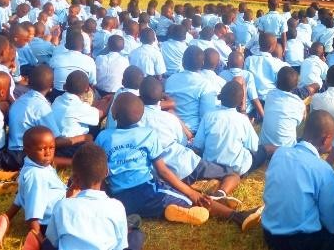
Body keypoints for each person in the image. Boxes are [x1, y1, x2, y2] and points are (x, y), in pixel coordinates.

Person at [96, 92, 262, 228]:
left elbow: (99, 171)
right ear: (140, 118)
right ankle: (235, 216)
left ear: (114, 114)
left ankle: (163, 210)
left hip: (119, 198)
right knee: (194, 200)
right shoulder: (147, 135)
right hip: (149, 193)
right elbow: (163, 171)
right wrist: (192, 193)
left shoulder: (103, 137)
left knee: (170, 198)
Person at [0, 126, 68, 250]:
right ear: (27, 151)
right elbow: (33, 211)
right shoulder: (36, 175)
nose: (48, 153)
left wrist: (7, 216)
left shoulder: (35, 165)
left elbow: (22, 196)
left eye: (52, 147)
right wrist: (40, 238)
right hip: (51, 222)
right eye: (42, 149)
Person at [262, 110, 334, 250]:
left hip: (269, 234)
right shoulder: (324, 170)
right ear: (325, 139)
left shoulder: (279, 154)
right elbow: (332, 224)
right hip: (302, 242)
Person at [44, 144, 136, 250]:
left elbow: (53, 240)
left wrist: (68, 199)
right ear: (106, 172)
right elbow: (120, 245)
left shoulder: (62, 205)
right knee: (137, 235)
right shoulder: (117, 206)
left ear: (74, 178)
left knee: (46, 243)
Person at [193, 80, 268, 178]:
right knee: (265, 150)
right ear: (241, 102)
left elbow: (198, 145)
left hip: (211, 169)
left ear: (220, 97)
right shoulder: (243, 120)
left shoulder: (208, 116)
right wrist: (250, 127)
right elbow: (253, 147)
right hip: (236, 168)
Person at [165, 45, 220, 133]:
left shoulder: (170, 79)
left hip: (170, 129)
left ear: (182, 62)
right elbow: (206, 117)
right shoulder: (205, 85)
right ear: (202, 64)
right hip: (192, 132)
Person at [260, 66, 306, 148]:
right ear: (295, 86)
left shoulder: (270, 94)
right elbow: (300, 121)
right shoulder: (299, 103)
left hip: (265, 146)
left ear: (277, 81)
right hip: (286, 149)